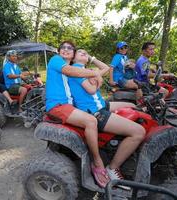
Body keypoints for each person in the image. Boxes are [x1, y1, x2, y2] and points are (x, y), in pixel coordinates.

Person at [68, 49, 146, 189]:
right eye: (80, 52)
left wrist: (92, 59)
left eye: (86, 52)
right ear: (73, 58)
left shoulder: (86, 69)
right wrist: (98, 79)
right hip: (94, 111)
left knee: (133, 106)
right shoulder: (75, 70)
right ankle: (112, 168)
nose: (84, 53)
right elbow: (92, 90)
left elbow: (105, 68)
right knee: (138, 132)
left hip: (102, 104)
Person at [45, 41, 110, 188]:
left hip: (68, 105)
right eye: (63, 47)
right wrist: (95, 73)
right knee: (91, 121)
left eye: (70, 48)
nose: (66, 49)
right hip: (57, 105)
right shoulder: (57, 61)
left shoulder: (70, 68)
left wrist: (95, 76)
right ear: (59, 51)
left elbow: (90, 83)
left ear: (73, 53)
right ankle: (97, 162)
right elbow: (71, 71)